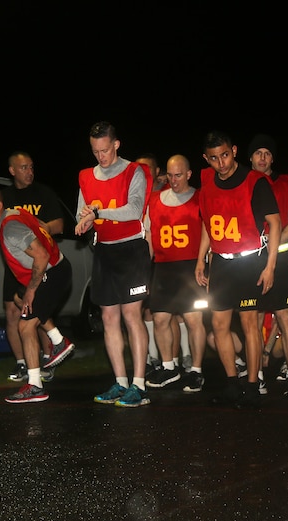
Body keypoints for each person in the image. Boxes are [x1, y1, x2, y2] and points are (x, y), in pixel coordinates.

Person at [195, 131, 281, 408]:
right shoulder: (207, 186)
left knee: (248, 325)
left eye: (225, 155)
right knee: (218, 324)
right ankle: (232, 384)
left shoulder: (254, 181)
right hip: (220, 262)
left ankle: (253, 385)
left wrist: (270, 265)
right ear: (206, 159)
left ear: (233, 150)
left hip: (249, 261)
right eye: (214, 158)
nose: (221, 163)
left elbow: (276, 223)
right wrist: (201, 261)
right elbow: (208, 226)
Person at [75, 121, 153, 408]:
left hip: (131, 249)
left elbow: (134, 210)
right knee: (108, 318)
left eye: (105, 150)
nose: (101, 156)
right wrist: (83, 223)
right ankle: (120, 382)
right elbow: (81, 213)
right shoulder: (85, 176)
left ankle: (139, 385)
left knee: (132, 316)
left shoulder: (135, 172)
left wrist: (97, 211)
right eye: (95, 151)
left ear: (116, 144)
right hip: (104, 252)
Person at [0, 185, 72, 403]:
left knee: (25, 325)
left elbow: (41, 255)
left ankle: (36, 385)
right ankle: (57, 340)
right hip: (57, 268)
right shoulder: (15, 213)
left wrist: (32, 290)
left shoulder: (10, 228)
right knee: (19, 299)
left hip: (53, 271)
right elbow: (39, 225)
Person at [0, 152, 74, 381]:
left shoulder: (44, 193)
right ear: (12, 171)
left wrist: (41, 228)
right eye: (24, 168)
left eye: (31, 167)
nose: (29, 172)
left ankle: (49, 358)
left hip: (42, 262)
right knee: (14, 311)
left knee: (37, 312)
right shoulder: (4, 197)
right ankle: (23, 364)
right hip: (17, 264)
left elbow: (60, 224)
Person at [143, 154, 209, 392]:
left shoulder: (201, 197)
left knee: (193, 319)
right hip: (163, 266)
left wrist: (202, 261)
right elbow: (149, 235)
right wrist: (145, 269)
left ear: (189, 174)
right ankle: (169, 367)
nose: (173, 180)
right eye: (170, 175)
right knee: (160, 318)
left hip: (190, 266)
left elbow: (207, 232)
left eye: (178, 175)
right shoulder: (155, 199)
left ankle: (196, 371)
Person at [247, 133, 288, 397]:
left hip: (280, 259)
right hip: (250, 260)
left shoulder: (287, 183)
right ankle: (255, 375)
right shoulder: (241, 184)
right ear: (250, 157)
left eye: (267, 153)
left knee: (285, 317)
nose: (262, 157)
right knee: (254, 318)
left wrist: (275, 240)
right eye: (258, 152)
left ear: (272, 158)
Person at [136, 153, 182, 374]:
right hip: (143, 259)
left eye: (147, 169)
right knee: (145, 312)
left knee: (172, 313)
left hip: (168, 260)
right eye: (139, 169)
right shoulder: (135, 194)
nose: (143, 173)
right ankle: (154, 359)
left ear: (157, 172)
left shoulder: (167, 193)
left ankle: (179, 358)